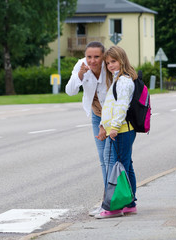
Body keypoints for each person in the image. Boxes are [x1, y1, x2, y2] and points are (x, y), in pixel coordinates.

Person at [65, 42, 113, 216]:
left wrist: (104, 125)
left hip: (114, 117)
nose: (92, 61)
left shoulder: (110, 67)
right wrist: (79, 75)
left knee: (113, 158)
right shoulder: (81, 65)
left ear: (103, 56)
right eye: (89, 57)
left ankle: (116, 200)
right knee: (103, 158)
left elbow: (112, 100)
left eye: (97, 57)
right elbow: (70, 91)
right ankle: (108, 200)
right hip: (96, 115)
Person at [94, 45, 138, 219]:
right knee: (126, 166)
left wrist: (113, 127)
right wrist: (104, 125)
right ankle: (129, 203)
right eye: (108, 62)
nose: (111, 65)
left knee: (116, 166)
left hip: (121, 130)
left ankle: (113, 207)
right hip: (118, 129)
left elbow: (121, 107)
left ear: (122, 60)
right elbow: (110, 106)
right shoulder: (117, 79)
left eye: (114, 61)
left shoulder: (124, 81)